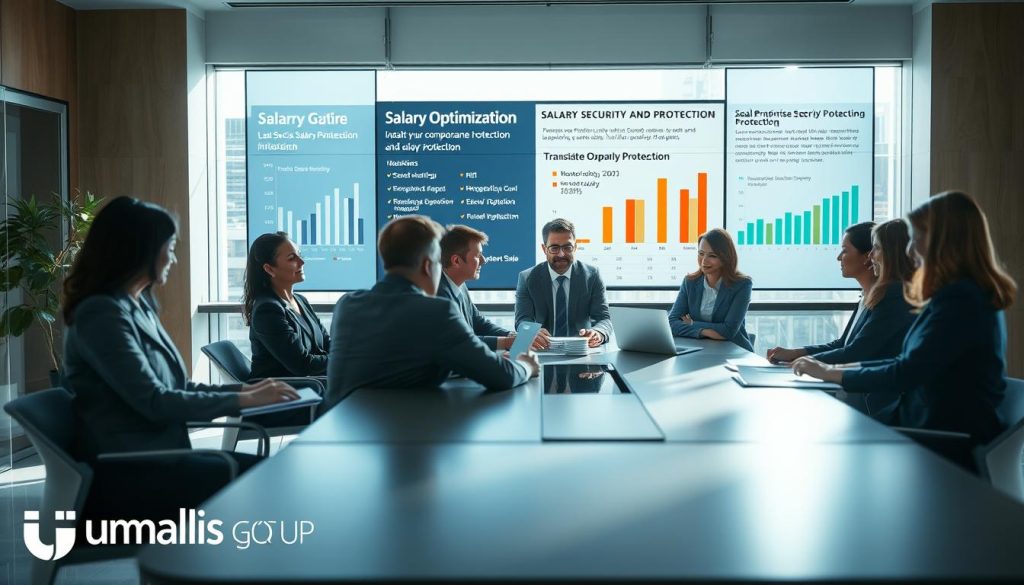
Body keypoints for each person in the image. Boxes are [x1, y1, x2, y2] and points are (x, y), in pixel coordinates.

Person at [61, 197, 298, 522]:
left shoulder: (138, 307)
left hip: (162, 458)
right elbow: (156, 402)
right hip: (128, 475)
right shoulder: (101, 315)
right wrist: (244, 400)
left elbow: (178, 387)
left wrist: (248, 395)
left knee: (279, 479)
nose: (173, 257)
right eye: (169, 246)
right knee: (275, 482)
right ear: (140, 250)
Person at [792, 192, 1017, 467]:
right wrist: (835, 372)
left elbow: (907, 372)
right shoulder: (960, 294)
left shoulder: (961, 300)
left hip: (944, 436)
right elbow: (908, 363)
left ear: (942, 241)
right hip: (931, 424)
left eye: (916, 238)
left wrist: (834, 373)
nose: (909, 250)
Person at [326, 215, 538, 407]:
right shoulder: (434, 312)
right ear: (428, 266)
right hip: (387, 436)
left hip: (333, 430)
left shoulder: (347, 304)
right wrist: (525, 364)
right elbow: (501, 376)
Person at [514, 218, 612, 349]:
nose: (561, 254)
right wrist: (531, 331)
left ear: (575, 247)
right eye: (554, 248)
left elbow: (604, 318)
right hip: (543, 349)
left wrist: (598, 332)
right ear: (544, 249)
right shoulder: (527, 278)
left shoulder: (592, 275)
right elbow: (522, 320)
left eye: (567, 247)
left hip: (582, 349)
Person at [243, 232, 330, 379]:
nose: (302, 262)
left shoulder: (301, 300)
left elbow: (326, 343)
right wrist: (346, 361)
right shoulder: (267, 311)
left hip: (312, 384)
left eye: (299, 255)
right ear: (269, 269)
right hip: (283, 393)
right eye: (292, 258)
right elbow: (303, 365)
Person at [668, 228, 754, 351]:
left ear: (726, 258)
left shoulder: (742, 285)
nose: (704, 261)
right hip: (698, 349)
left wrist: (692, 323)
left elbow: (728, 331)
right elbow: (672, 323)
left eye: (712, 256)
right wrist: (704, 332)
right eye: (701, 253)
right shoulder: (690, 282)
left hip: (735, 352)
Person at [437, 225, 515, 350]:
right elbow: (457, 342)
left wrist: (510, 335)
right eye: (478, 255)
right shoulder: (437, 296)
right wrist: (506, 342)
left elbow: (478, 323)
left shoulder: (459, 284)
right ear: (456, 261)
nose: (484, 261)